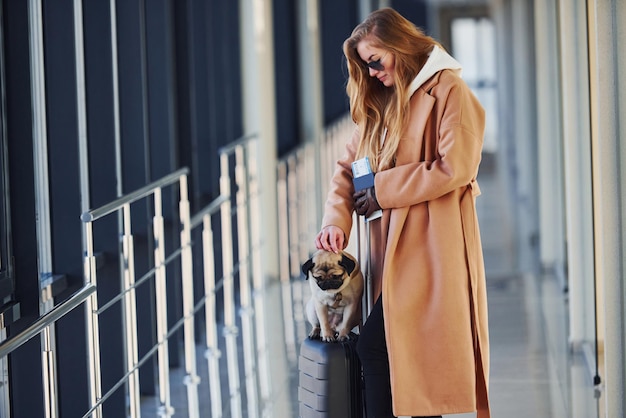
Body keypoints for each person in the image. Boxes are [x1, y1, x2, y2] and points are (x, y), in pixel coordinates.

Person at [314, 8, 491, 418]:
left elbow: (456, 166)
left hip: (431, 245)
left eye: (375, 60)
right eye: (364, 65)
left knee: (382, 348)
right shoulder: (382, 101)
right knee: (402, 356)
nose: (371, 72)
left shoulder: (449, 90)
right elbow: (348, 169)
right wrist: (334, 223)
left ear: (399, 45)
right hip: (389, 249)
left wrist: (382, 190)